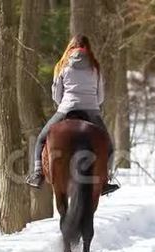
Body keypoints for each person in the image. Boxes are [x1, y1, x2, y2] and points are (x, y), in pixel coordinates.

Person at [25, 34, 119, 195]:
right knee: (109, 145)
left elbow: (56, 95)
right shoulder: (95, 67)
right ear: (88, 48)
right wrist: (92, 104)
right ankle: (105, 180)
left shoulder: (62, 65)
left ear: (70, 47)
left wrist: (64, 104)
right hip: (91, 110)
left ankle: (38, 173)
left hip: (66, 109)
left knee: (41, 138)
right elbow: (101, 95)